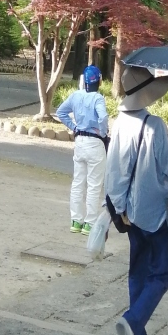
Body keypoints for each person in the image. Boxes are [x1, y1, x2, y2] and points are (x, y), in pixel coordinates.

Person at [104, 60, 168, 335]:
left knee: (138, 269)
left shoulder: (119, 123)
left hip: (130, 212)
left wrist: (119, 209)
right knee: (163, 273)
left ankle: (137, 334)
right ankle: (131, 322)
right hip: (156, 214)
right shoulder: (155, 126)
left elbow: (114, 171)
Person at [55, 65, 109, 235]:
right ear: (99, 81)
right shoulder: (98, 98)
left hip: (80, 142)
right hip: (95, 142)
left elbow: (60, 112)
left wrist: (74, 127)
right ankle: (89, 223)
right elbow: (103, 116)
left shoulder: (76, 96)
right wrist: (103, 131)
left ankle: (75, 221)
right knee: (94, 185)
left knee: (78, 182)